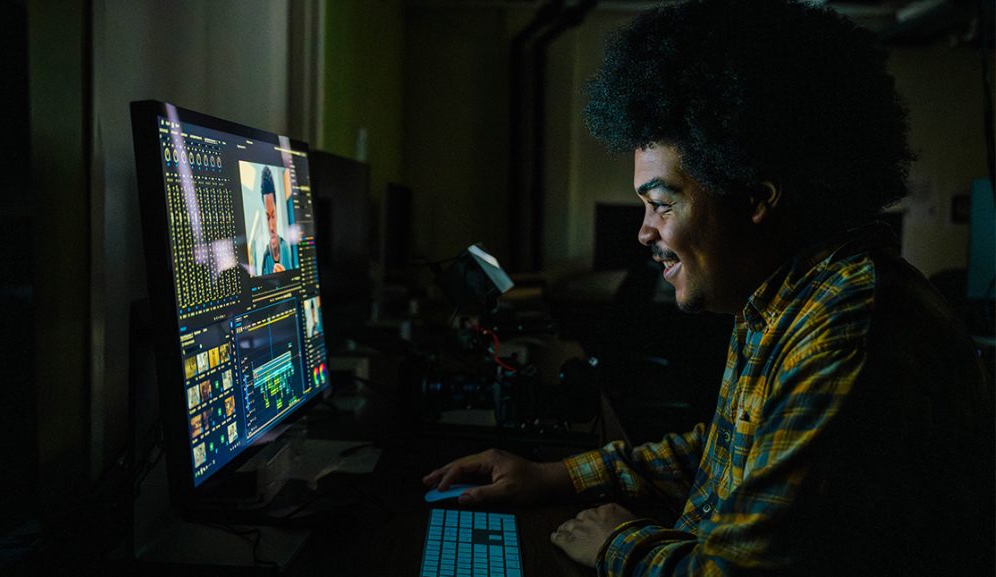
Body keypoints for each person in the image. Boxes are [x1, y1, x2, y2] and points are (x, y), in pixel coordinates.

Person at [422, 1, 994, 575]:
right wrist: (554, 475)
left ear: (753, 199)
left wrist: (616, 540)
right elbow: (724, 454)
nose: (644, 231)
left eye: (662, 203)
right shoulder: (792, 296)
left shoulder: (847, 330)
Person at [260, 165, 293, 275]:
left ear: (277, 214)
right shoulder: (265, 258)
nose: (271, 227)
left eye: (273, 216)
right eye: (267, 217)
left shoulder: (287, 249)